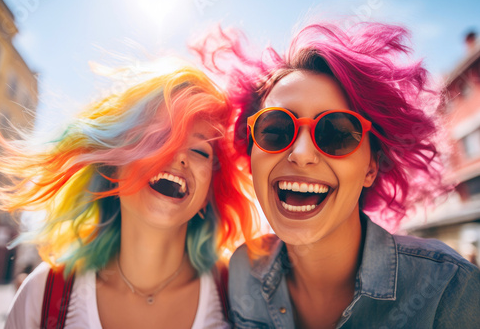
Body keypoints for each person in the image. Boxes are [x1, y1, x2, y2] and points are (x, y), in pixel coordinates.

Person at [193, 22, 480, 328]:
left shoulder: (448, 289)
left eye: (335, 132)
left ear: (371, 167)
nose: (301, 154)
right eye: (275, 130)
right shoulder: (241, 273)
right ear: (252, 155)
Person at [0, 59, 260, 328]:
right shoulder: (43, 293)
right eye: (159, 138)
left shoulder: (241, 298)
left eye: (200, 151)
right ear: (114, 165)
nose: (179, 156)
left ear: (210, 190)